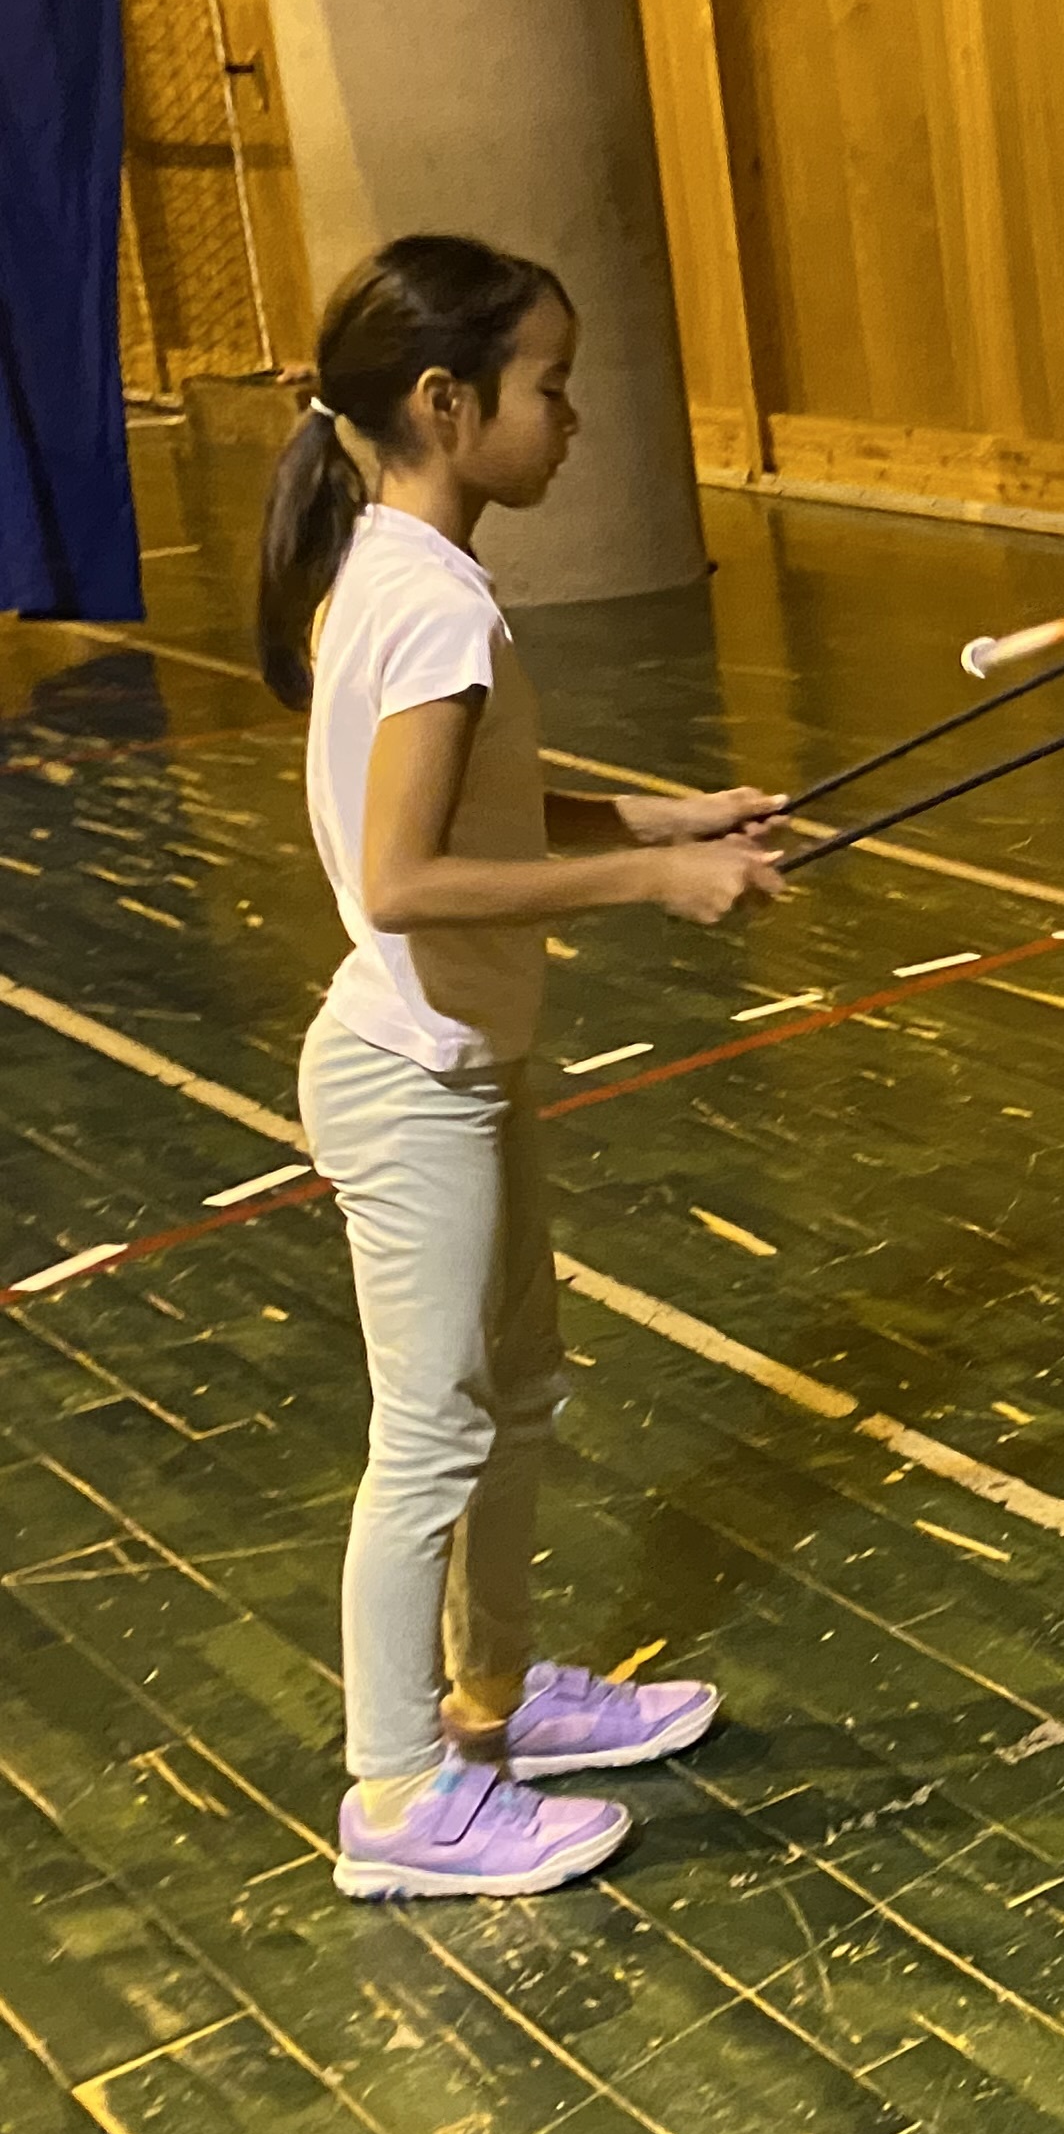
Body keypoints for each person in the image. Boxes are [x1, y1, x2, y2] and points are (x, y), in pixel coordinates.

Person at [259, 235, 786, 1897]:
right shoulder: (432, 604)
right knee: (430, 1434)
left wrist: (668, 818)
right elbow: (406, 877)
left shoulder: (401, 570)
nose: (572, 418)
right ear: (446, 401)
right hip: (410, 1077)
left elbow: (478, 806)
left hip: (467, 1061)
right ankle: (396, 1791)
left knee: (518, 1394)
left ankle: (490, 1700)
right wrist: (648, 881)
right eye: (549, 388)